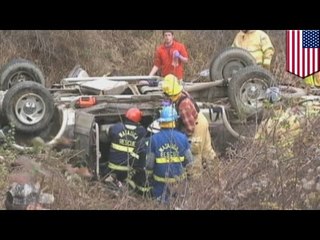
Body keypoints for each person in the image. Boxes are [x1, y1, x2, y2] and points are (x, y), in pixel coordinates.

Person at [161, 74, 219, 179]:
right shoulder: (181, 93)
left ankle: (195, 179)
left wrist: (182, 138)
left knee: (194, 153)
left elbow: (190, 128)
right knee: (207, 150)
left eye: (167, 95)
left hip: (196, 125)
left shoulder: (183, 105)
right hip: (201, 119)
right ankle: (217, 174)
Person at [146, 105, 193, 204]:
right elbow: (189, 161)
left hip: (160, 183)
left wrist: (148, 177)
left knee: (161, 204)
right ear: (174, 121)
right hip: (178, 182)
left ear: (161, 121)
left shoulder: (153, 139)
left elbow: (149, 164)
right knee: (178, 203)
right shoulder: (183, 138)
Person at [106, 108, 151, 195]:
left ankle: (117, 181)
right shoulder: (141, 131)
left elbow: (108, 135)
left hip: (113, 166)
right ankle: (126, 183)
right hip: (130, 167)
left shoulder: (116, 127)